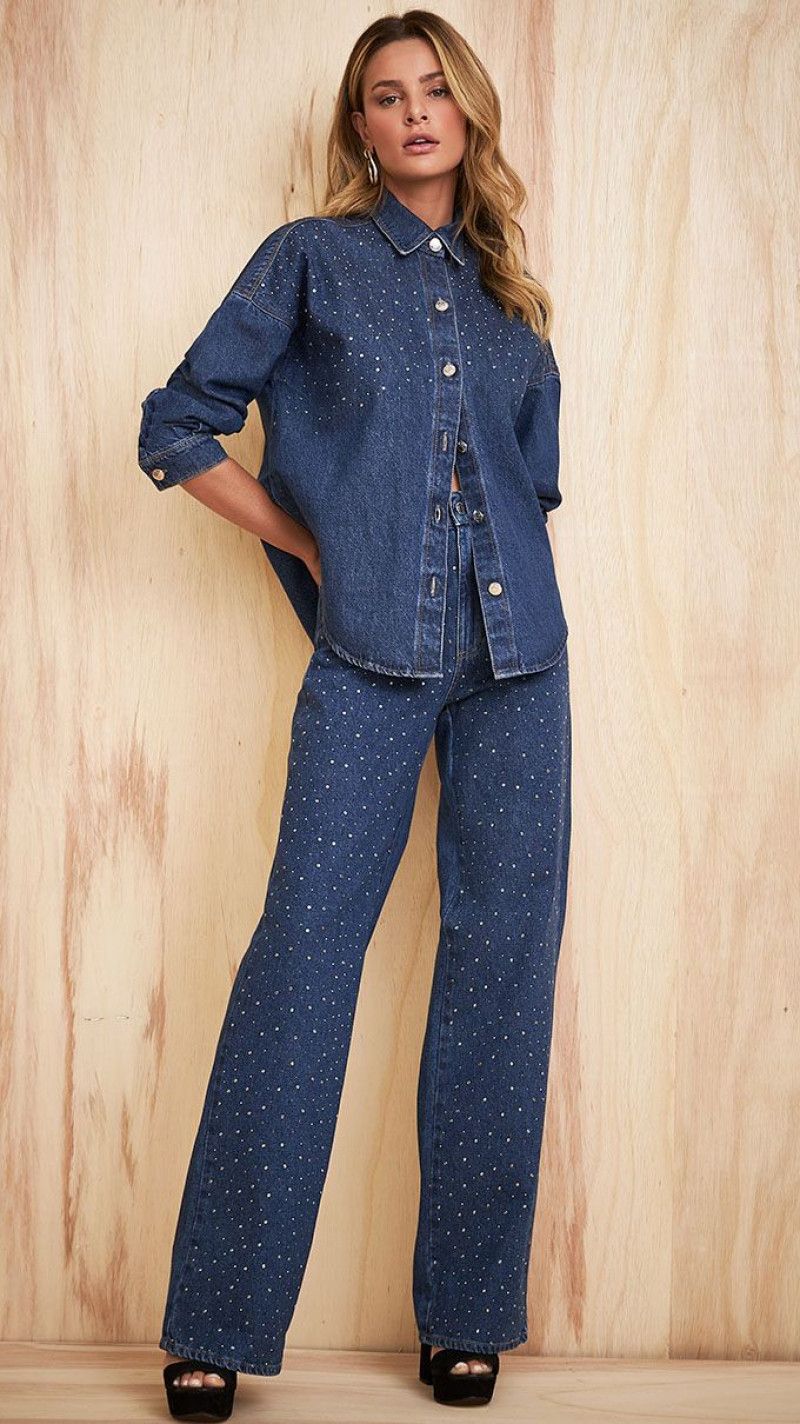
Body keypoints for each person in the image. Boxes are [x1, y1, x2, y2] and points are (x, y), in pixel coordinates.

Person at [140, 10, 571, 1417]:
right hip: (369, 661)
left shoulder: (510, 302)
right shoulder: (311, 262)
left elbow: (530, 492)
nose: (415, 112)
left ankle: (467, 1319)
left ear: (469, 111)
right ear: (361, 128)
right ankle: (216, 1322)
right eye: (387, 97)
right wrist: (317, 546)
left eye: (436, 89)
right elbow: (178, 426)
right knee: (303, 963)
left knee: (502, 973)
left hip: (522, 666)